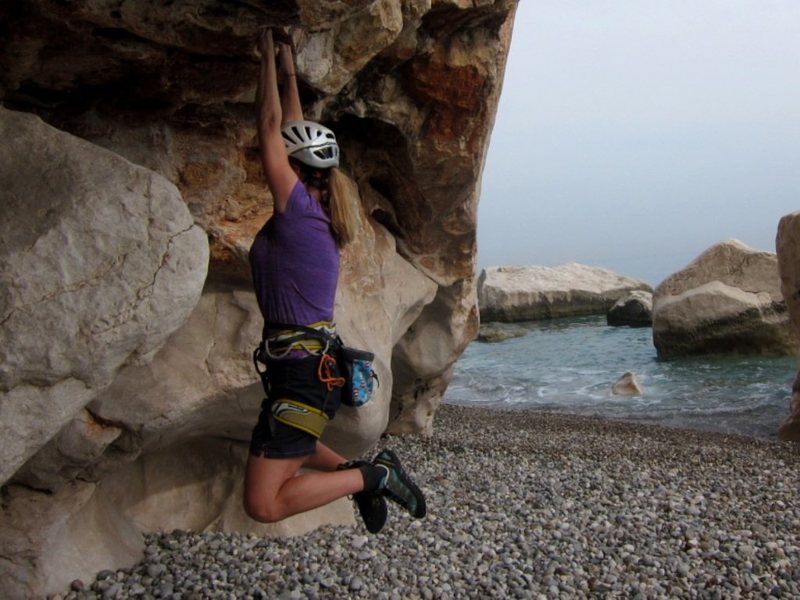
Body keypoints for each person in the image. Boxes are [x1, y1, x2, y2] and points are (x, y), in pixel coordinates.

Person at [243, 29, 426, 534]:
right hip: (304, 371)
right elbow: (293, 128)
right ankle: (361, 473)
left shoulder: (298, 209)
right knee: (294, 445)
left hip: (303, 375)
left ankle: (372, 475)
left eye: (285, 159)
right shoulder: (323, 212)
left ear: (296, 171)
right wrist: (286, 67)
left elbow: (270, 127)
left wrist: (264, 61)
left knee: (263, 504)